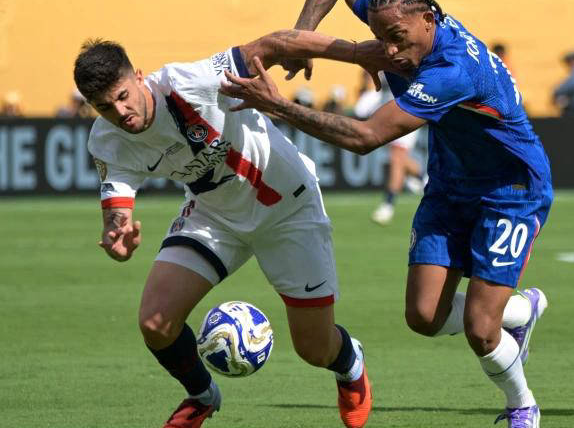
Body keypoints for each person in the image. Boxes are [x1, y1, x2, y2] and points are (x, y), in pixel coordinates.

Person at [219, 0, 552, 428]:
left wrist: (278, 106)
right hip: (450, 186)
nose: (389, 51)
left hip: (510, 191)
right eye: (380, 37)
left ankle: (522, 406)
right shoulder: (397, 9)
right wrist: (303, 39)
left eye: (396, 38)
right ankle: (520, 309)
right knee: (423, 316)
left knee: (481, 329)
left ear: (429, 21)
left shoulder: (453, 71)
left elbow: (366, 137)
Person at [74, 39, 372, 428]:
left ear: (139, 77)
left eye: (123, 96)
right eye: (104, 107)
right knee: (155, 323)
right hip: (215, 215)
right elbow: (117, 213)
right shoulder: (106, 140)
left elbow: (272, 44)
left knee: (315, 349)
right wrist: (117, 237)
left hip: (289, 208)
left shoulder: (188, 82)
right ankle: (202, 396)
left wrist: (357, 54)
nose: (120, 112)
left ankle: (350, 363)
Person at [352, 69, 425, 225]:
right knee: (401, 158)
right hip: (390, 114)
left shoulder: (400, 64)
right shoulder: (378, 78)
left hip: (407, 110)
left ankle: (388, 204)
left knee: (397, 157)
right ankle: (424, 180)